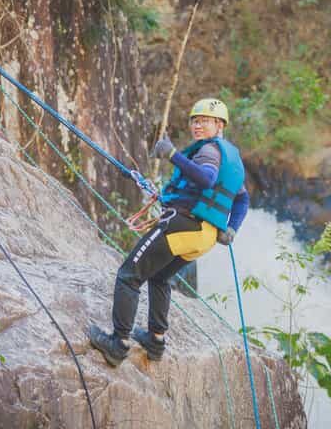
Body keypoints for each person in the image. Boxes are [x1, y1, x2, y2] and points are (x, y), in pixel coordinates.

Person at [89, 98, 249, 366]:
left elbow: (207, 178)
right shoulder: (230, 158)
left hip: (184, 225)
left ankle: (118, 343)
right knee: (160, 277)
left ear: (219, 125)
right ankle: (155, 340)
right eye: (194, 121)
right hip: (204, 237)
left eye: (205, 121)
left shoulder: (209, 151)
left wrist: (172, 154)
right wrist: (232, 228)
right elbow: (242, 199)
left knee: (129, 274)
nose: (198, 126)